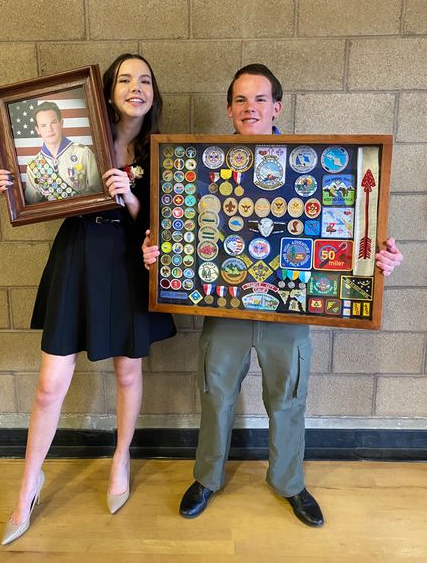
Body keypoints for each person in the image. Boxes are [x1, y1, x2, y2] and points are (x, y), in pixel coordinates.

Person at [143, 63, 403, 528]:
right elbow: (178, 229)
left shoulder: (314, 166)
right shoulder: (205, 167)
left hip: (289, 307)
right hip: (225, 306)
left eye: (260, 99)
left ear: (276, 107)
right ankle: (206, 477)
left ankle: (289, 482)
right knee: (216, 392)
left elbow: (350, 226)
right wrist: (158, 252)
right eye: (241, 100)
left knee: (288, 396)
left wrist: (375, 260)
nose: (250, 108)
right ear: (229, 109)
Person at [0, 53, 176, 545]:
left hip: (125, 262)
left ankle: (121, 457)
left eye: (145, 79)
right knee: (50, 384)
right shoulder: (81, 142)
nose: (135, 87)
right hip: (76, 256)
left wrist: (131, 197)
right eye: (124, 79)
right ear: (108, 90)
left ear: (154, 92)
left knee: (127, 370)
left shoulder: (164, 151)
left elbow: (167, 224)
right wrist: (14, 183)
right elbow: (40, 188)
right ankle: (30, 483)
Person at [24, 100, 101, 204]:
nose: (49, 129)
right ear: (37, 130)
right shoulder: (34, 165)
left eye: (53, 122)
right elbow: (30, 203)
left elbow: (98, 191)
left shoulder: (83, 153)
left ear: (61, 123)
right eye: (43, 125)